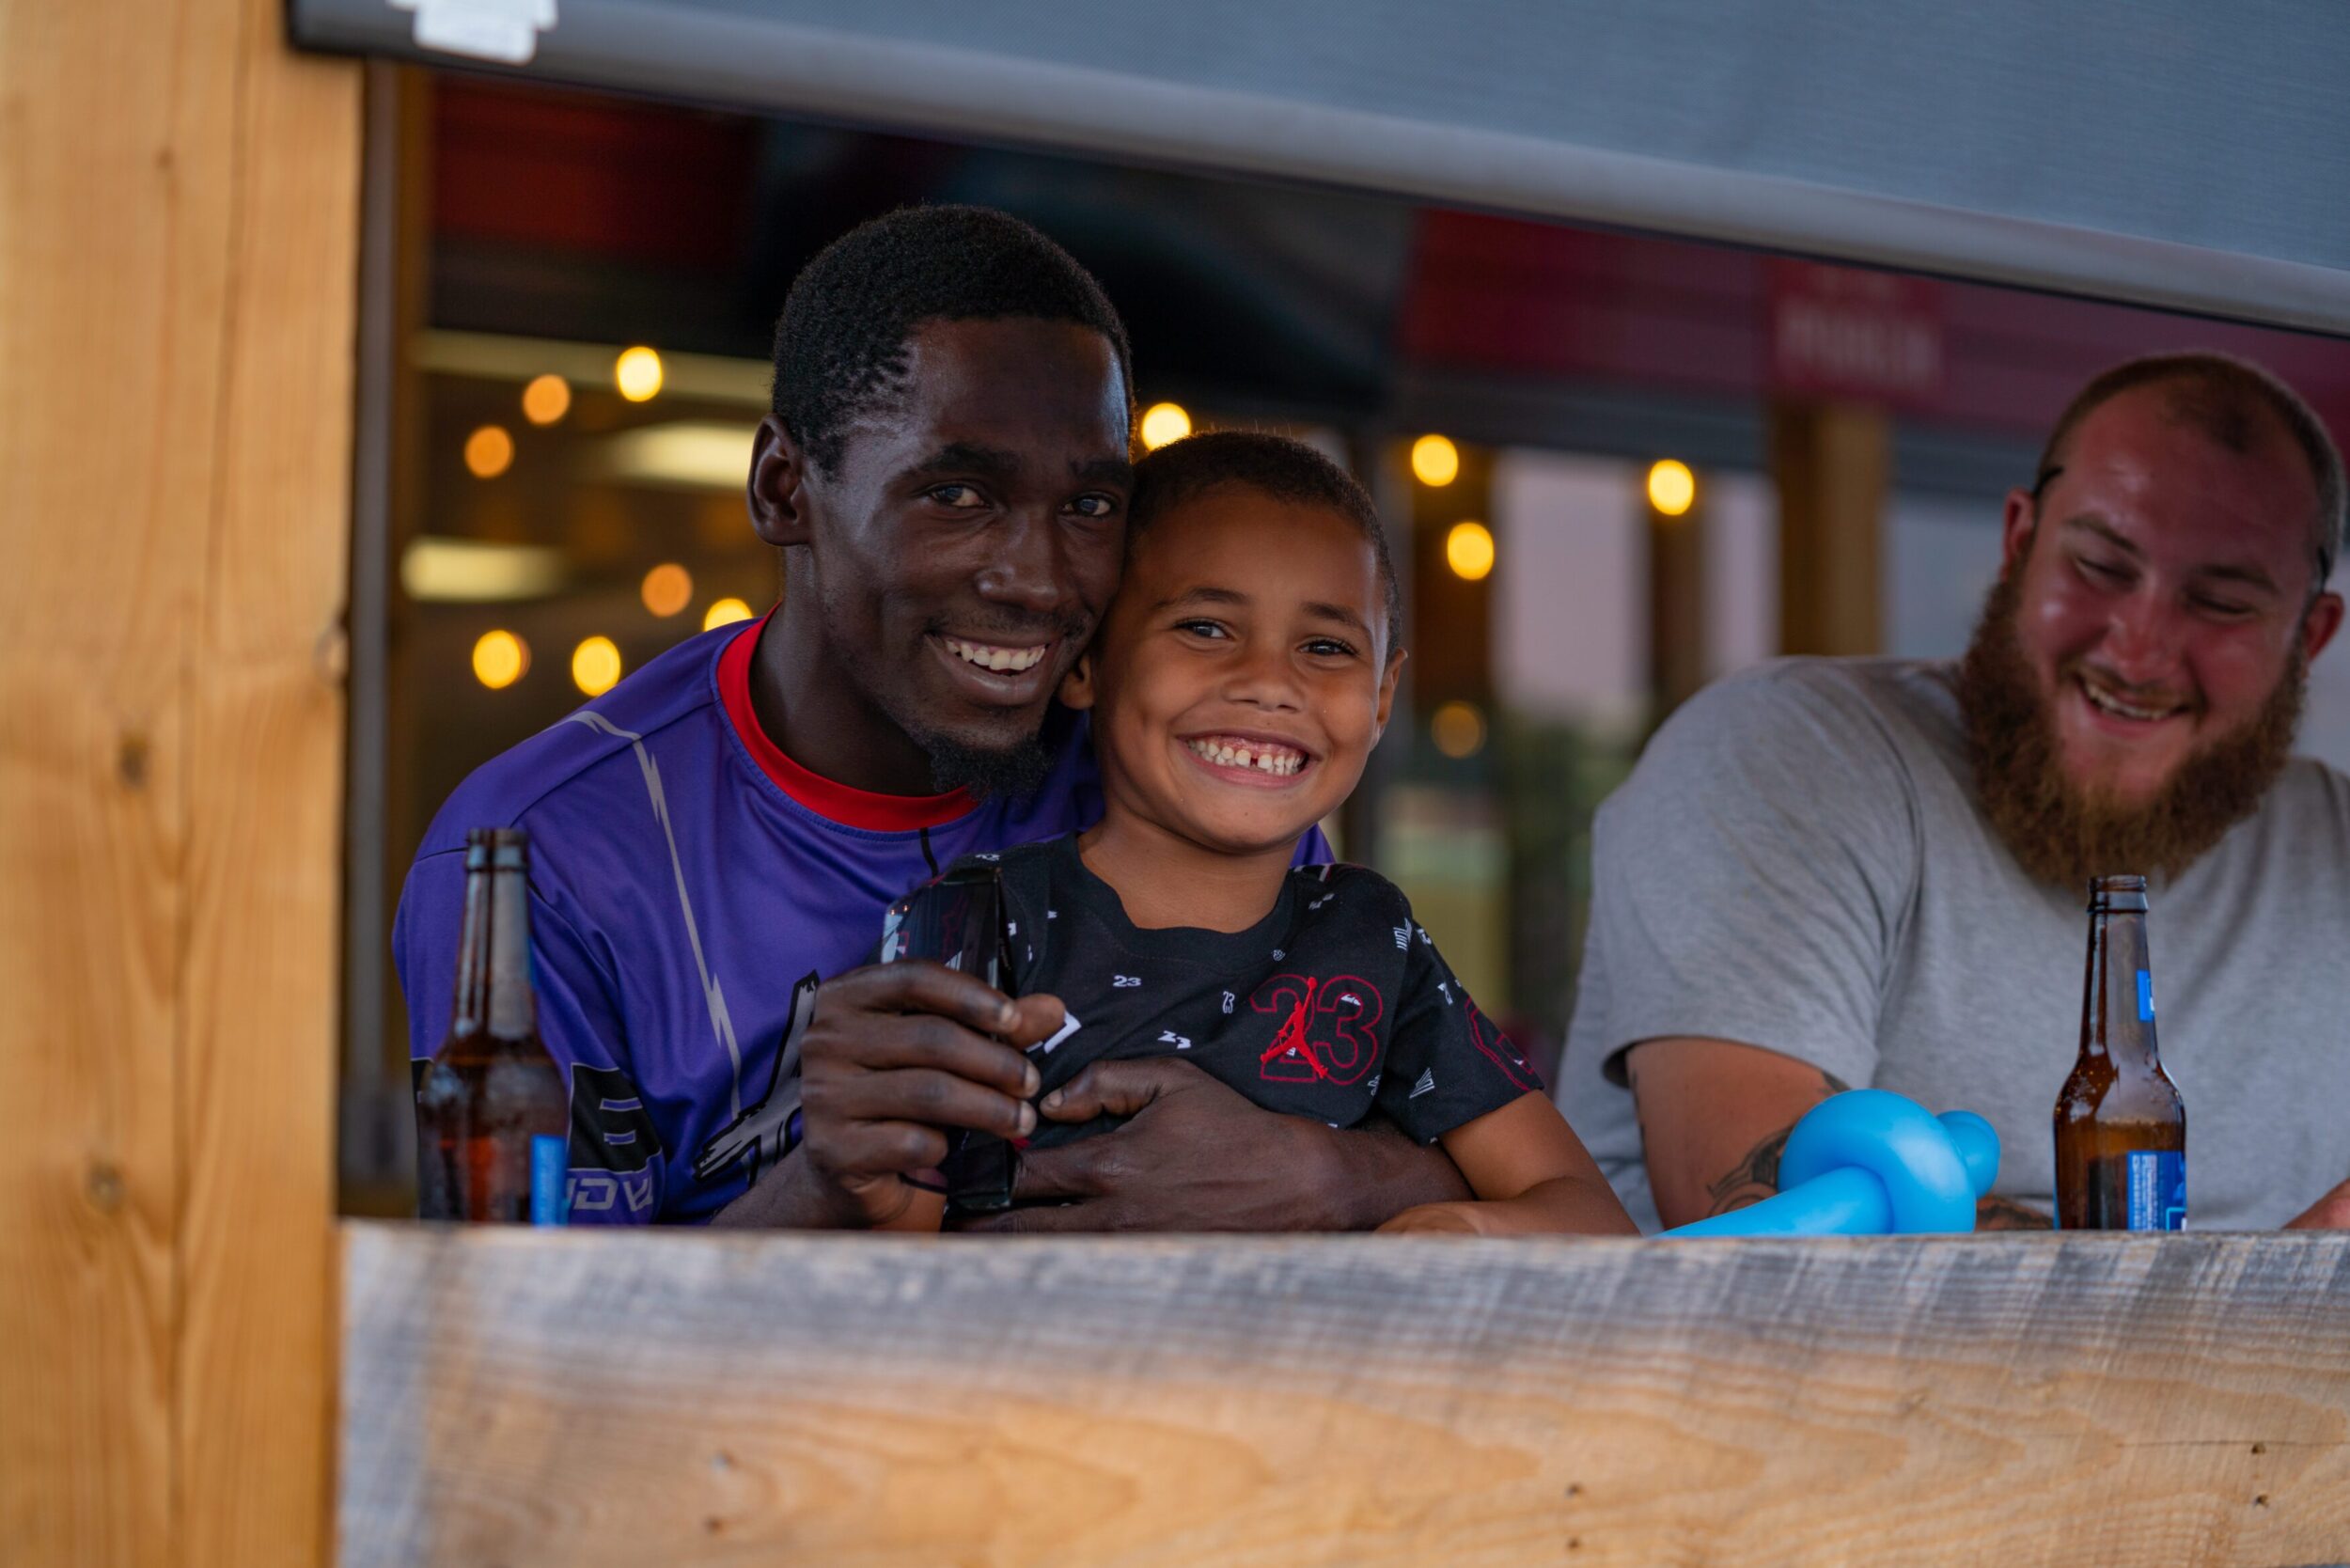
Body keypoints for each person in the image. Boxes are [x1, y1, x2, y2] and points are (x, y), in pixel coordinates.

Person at [395, 205, 1467, 1228]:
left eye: (1090, 505)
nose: (1039, 581)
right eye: (959, 495)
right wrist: (817, 1186)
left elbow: (1466, 1152)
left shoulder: (1167, 766)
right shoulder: (541, 855)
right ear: (783, 488)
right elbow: (523, 1360)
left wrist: (1329, 1175)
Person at [1559, 351, 2350, 1233]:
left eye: (2223, 603)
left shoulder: (2336, 846)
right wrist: (2251, 1307)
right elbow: (1775, 1237)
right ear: (2021, 543)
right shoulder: (1788, 753)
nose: (2139, 648)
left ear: (2308, 637)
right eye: (2099, 564)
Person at [857, 431, 1637, 1236]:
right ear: (1086, 661)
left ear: (1380, 698)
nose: (1269, 682)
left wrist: (1458, 1235)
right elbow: (891, 1266)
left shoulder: (1371, 938)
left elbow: (1591, 1221)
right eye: (1205, 627)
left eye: (1327, 647)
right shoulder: (977, 923)